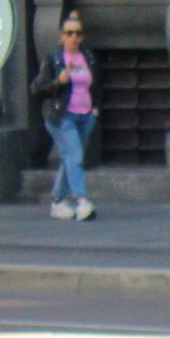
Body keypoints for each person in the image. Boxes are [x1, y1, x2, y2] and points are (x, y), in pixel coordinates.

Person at [29, 14, 99, 221]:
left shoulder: (88, 57)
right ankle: (81, 202)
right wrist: (58, 81)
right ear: (62, 37)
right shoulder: (54, 59)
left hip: (85, 115)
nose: (74, 37)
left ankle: (58, 202)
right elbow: (36, 88)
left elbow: (96, 84)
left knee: (69, 159)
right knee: (75, 157)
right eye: (69, 33)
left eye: (78, 33)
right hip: (61, 116)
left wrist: (95, 109)